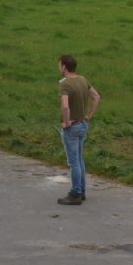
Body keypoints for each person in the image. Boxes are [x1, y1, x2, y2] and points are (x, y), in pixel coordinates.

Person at [56, 53, 101, 206]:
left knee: (73, 162)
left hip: (72, 127)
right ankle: (81, 191)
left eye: (59, 65)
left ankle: (75, 193)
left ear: (64, 67)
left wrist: (66, 122)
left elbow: (65, 106)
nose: (59, 67)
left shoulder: (65, 85)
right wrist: (89, 115)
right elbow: (96, 97)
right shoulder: (82, 80)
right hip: (83, 124)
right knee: (80, 159)